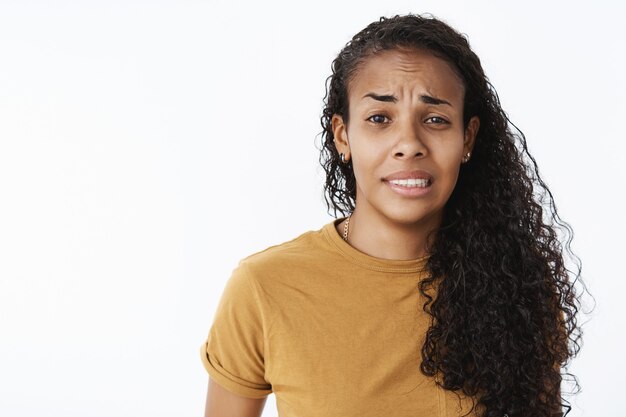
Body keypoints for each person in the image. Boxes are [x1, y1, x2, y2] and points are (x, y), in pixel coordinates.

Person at [200, 13, 585, 417]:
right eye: (380, 119)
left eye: (435, 119)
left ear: (467, 138)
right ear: (343, 136)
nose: (408, 144)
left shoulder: (517, 284)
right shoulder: (263, 287)